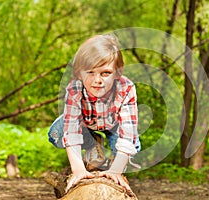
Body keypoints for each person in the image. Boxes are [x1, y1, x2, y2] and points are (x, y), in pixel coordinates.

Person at [48, 34, 141, 193]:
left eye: (105, 73)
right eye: (90, 72)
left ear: (117, 73)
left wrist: (116, 171)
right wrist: (78, 170)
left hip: (114, 126)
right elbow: (71, 130)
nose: (97, 80)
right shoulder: (74, 88)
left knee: (134, 149)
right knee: (56, 133)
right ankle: (93, 143)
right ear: (79, 73)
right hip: (86, 125)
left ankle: (111, 163)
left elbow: (127, 134)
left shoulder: (126, 88)